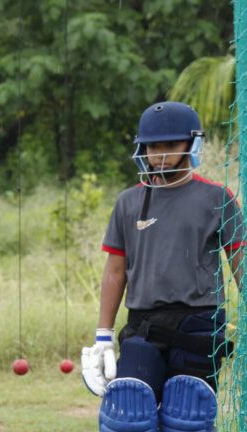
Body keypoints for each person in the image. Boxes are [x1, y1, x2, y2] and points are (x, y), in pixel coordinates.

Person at [80, 101, 243, 431]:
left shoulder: (217, 198)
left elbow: (241, 262)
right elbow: (115, 272)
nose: (161, 155)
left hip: (200, 322)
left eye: (171, 144)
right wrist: (103, 336)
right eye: (153, 146)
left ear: (192, 144)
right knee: (129, 413)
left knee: (188, 416)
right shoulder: (128, 201)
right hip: (144, 324)